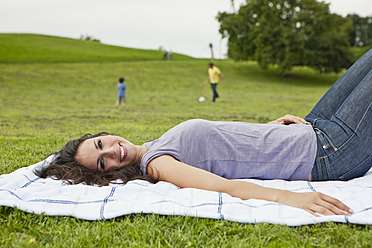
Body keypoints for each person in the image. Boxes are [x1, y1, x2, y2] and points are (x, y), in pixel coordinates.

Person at [36, 49, 372, 217]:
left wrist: (270, 127)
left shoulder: (154, 143)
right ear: (106, 174)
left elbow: (227, 145)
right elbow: (222, 186)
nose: (111, 153)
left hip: (310, 128)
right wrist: (290, 198)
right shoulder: (158, 163)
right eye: (101, 163)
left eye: (100, 145)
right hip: (330, 151)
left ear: (104, 134)